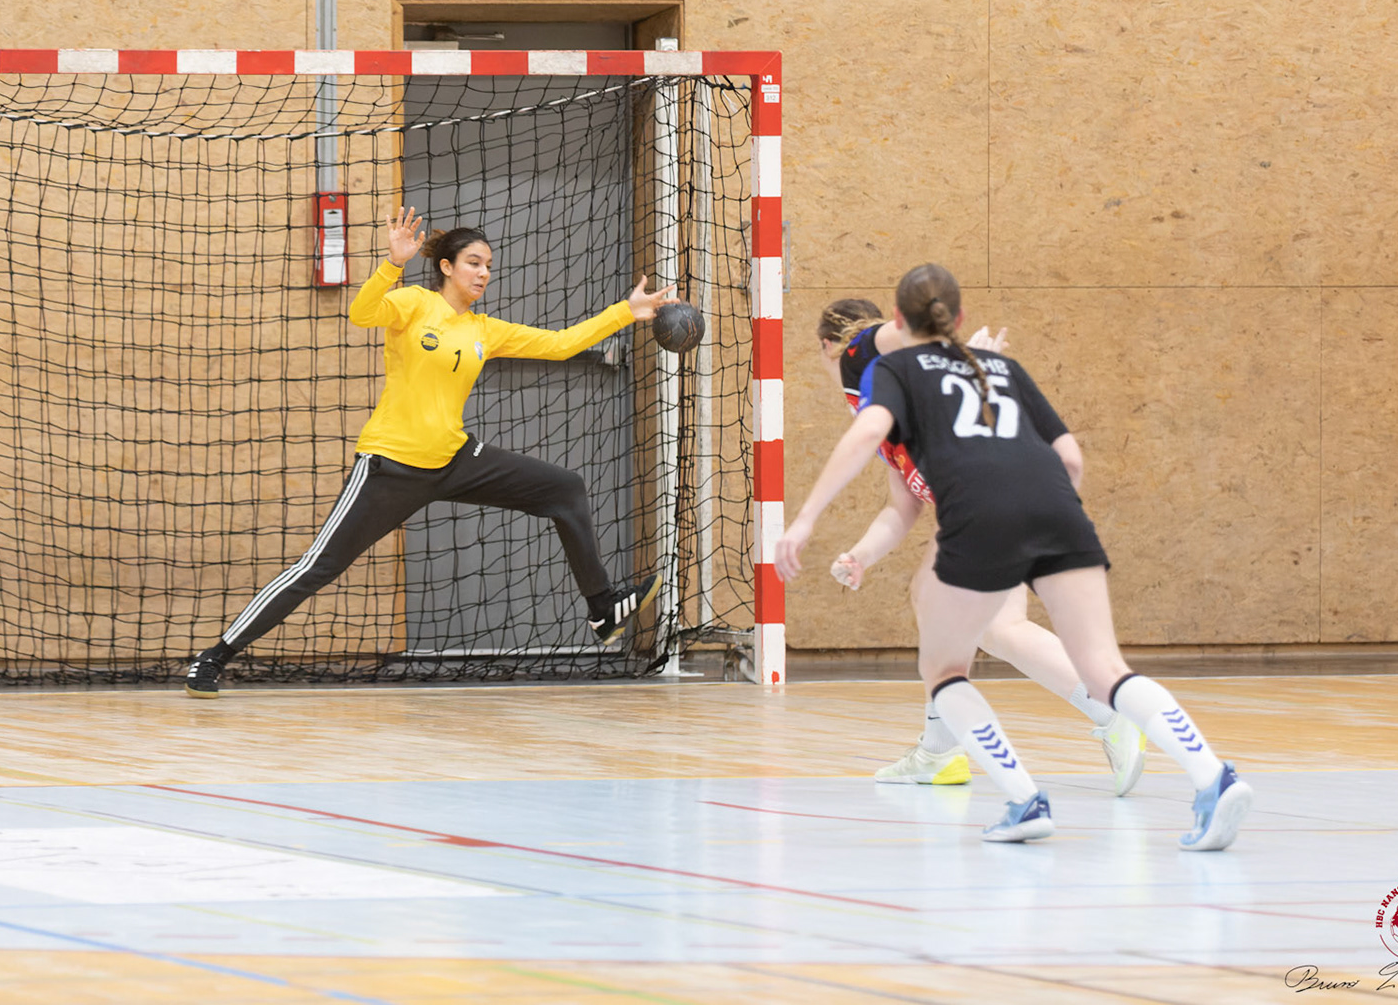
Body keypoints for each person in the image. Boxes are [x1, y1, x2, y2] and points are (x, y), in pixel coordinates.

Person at [779, 265, 1252, 848]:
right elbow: (1067, 460)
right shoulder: (996, 369)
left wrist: (805, 519)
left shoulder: (881, 368)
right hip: (1053, 503)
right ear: (957, 318)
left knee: (945, 665)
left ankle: (1021, 797)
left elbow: (867, 423)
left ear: (894, 321)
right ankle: (1214, 777)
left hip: (979, 515)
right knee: (1100, 667)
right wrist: (866, 553)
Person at [183, 206, 672, 698]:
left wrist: (625, 313)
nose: (483, 273)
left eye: (488, 266)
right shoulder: (414, 304)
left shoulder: (484, 330)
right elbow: (362, 313)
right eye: (473, 263)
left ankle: (603, 609)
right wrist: (392, 264)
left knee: (564, 489)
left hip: (455, 459)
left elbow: (561, 344)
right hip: (391, 466)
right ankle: (214, 656)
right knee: (317, 568)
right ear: (446, 267)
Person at [816, 298, 1146, 796]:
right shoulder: (888, 421)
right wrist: (861, 555)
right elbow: (901, 508)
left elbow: (895, 333)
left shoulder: (858, 359)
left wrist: (961, 355)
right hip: (1006, 495)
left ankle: (1108, 709)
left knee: (964, 617)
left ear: (827, 345)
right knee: (980, 623)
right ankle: (942, 751)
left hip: (996, 496)